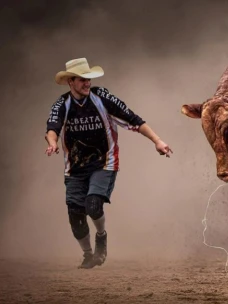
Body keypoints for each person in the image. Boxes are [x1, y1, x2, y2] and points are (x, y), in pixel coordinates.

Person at [45, 58, 173, 269]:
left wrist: (157, 141)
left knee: (93, 205)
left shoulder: (102, 97)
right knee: (75, 219)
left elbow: (133, 119)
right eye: (82, 79)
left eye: (89, 79)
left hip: (104, 163)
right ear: (70, 82)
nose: (87, 83)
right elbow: (52, 128)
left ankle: (101, 237)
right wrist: (52, 143)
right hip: (75, 169)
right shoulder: (62, 105)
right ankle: (88, 254)